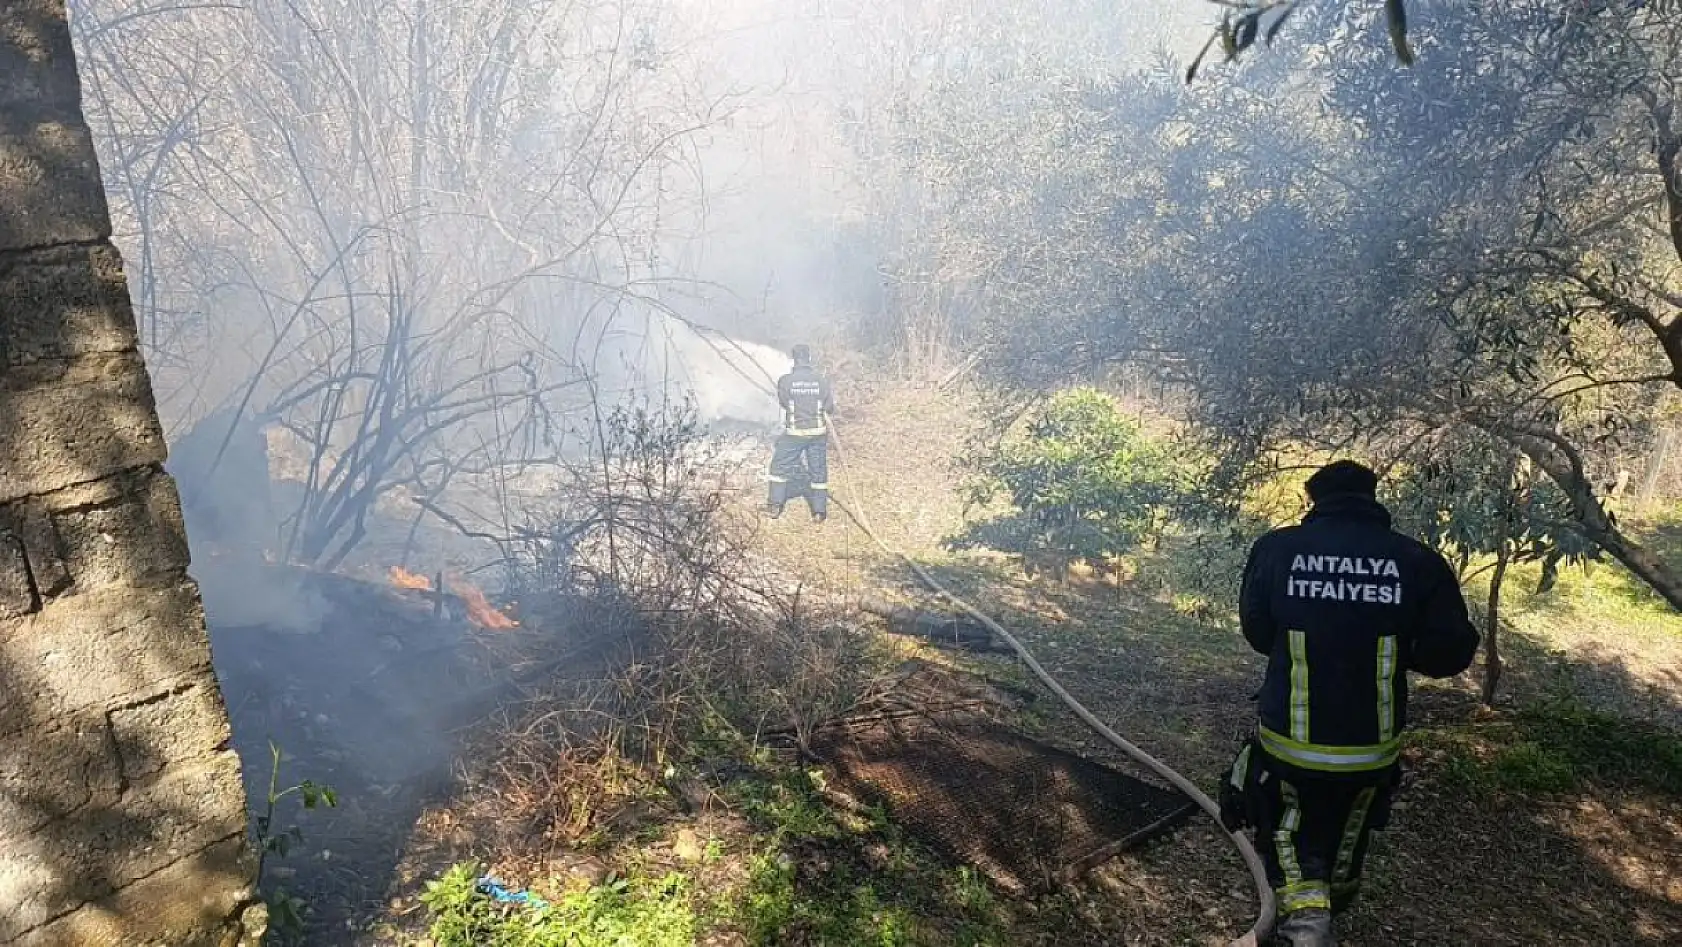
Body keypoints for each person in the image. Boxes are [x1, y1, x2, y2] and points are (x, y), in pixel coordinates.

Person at [1220, 460, 1479, 947]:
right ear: (1372, 498)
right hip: (1370, 752)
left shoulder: (1279, 550)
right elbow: (1452, 651)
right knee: (1347, 831)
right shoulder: (1416, 561)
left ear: (1313, 499)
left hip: (1290, 745)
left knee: (1289, 831)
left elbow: (1258, 633)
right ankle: (1328, 905)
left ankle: (1308, 925)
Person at [766, 344, 836, 522]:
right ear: (809, 358)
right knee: (818, 471)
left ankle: (775, 505)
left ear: (794, 359)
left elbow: (784, 402)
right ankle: (819, 512)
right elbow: (829, 407)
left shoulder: (785, 381)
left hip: (795, 433)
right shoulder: (821, 380)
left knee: (779, 467)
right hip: (818, 433)